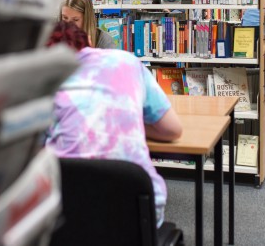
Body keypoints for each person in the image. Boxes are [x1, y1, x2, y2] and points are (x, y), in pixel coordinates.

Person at [44, 20, 183, 227]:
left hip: (69, 218)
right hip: (137, 216)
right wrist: (129, 119)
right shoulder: (126, 61)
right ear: (90, 41)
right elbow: (172, 129)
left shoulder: (45, 83)